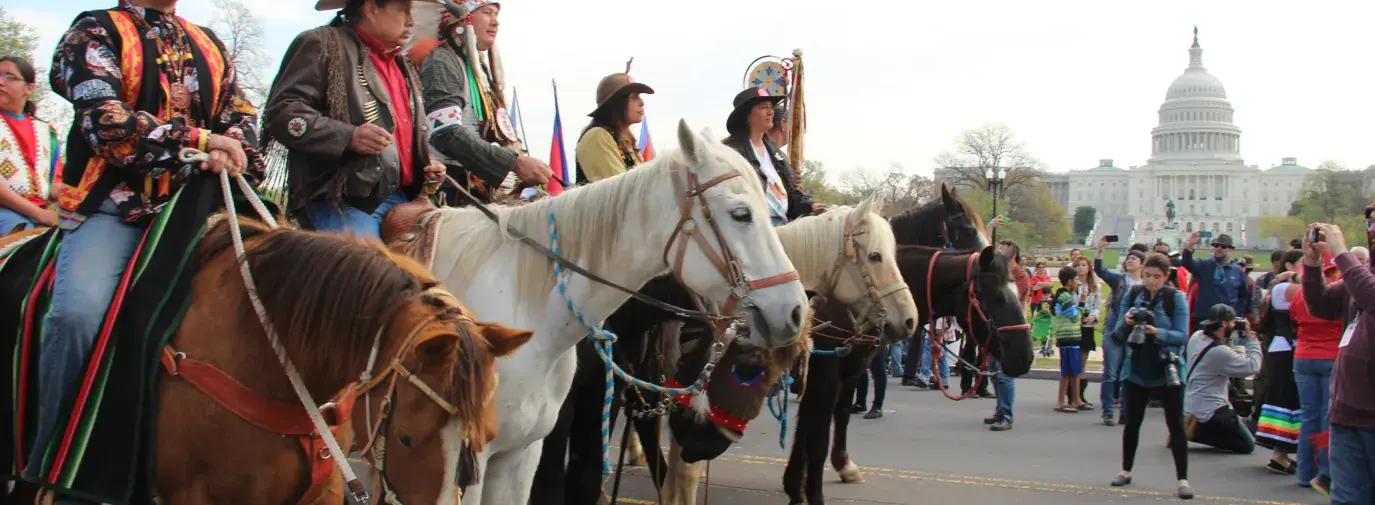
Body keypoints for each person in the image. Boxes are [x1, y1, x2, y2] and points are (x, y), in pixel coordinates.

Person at [38, 0, 259, 500]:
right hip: (113, 206)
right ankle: (53, 457)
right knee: (76, 315)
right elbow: (107, 125)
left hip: (194, 209)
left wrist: (235, 143)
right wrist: (205, 140)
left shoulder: (208, 41)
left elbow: (242, 113)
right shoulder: (92, 31)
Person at [265, 0, 445, 238]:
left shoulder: (403, 66)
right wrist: (348, 137)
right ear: (370, 8)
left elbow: (407, 135)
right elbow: (282, 113)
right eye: (403, 10)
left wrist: (428, 163)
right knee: (371, 272)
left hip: (406, 200)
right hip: (342, 201)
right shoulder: (321, 43)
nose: (411, 21)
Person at [415, 0, 552, 203]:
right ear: (461, 20)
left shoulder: (479, 71)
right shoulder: (442, 61)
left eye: (496, 15)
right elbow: (445, 131)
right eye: (487, 13)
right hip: (447, 190)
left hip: (477, 192)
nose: (495, 22)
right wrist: (514, 163)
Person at [1299, 219, 1375, 505]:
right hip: (1347, 413)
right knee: (1346, 499)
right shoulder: (1362, 275)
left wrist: (1342, 253)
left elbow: (1371, 297)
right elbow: (1320, 304)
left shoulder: (1362, 279)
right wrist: (1313, 261)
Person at [1109, 253, 1192, 500]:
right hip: (1137, 367)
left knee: (1176, 425)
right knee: (1132, 423)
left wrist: (1157, 331)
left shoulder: (1174, 298)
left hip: (1167, 366)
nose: (1152, 281)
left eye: (1157, 277)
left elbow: (1182, 335)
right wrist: (1126, 321)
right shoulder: (1133, 295)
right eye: (1147, 276)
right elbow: (1117, 334)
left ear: (1166, 277)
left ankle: (1182, 480)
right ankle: (1126, 471)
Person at [1286, 252, 1344, 491]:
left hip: (1303, 356)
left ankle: (1304, 472)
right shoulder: (1339, 294)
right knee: (1326, 417)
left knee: (1308, 416)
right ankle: (1324, 473)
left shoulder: (1300, 294)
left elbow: (1293, 318)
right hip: (1331, 356)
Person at [721, 87, 816, 225]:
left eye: (771, 107)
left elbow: (791, 193)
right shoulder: (730, 152)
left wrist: (810, 206)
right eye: (763, 107)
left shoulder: (776, 153)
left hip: (783, 227)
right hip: (754, 230)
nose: (771, 112)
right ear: (747, 116)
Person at [1183, 304, 1261, 454]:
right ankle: (1194, 431)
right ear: (1224, 324)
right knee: (1247, 444)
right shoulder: (1219, 352)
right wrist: (1252, 339)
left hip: (1191, 403)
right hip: (1211, 409)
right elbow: (1253, 366)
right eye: (1232, 323)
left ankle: (1191, 425)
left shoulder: (1197, 336)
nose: (1234, 326)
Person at [1254, 249, 1303, 475]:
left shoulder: (1284, 285)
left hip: (1287, 349)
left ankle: (1282, 453)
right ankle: (1278, 453)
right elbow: (1316, 292)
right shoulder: (1282, 288)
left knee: (1289, 402)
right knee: (1284, 401)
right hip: (1284, 350)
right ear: (1290, 266)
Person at [0, 55, 61, 232]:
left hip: (38, 214)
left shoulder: (46, 131)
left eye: (9, 77)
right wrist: (40, 215)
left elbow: (53, 186)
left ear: (29, 88)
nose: (1, 82)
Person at [1097, 236, 1145, 426]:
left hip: (1133, 333)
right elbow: (1100, 271)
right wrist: (1100, 250)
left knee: (1128, 374)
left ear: (1142, 264)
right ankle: (1108, 411)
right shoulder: (1119, 280)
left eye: (1134, 258)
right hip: (1114, 330)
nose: (1129, 260)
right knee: (1110, 373)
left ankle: (1126, 410)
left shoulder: (1145, 285)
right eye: (1128, 258)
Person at [575, 70, 651, 183]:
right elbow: (624, 192)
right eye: (634, 97)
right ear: (617, 103)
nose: (641, 102)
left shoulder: (625, 140)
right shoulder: (597, 137)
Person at [1181, 232, 1252, 329]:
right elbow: (1187, 263)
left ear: (1230, 250)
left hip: (1227, 319)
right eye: (1216, 245)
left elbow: (1244, 296)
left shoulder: (1237, 270)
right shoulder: (1204, 265)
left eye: (1223, 246)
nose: (1219, 248)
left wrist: (1238, 315)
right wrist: (1190, 245)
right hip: (1205, 317)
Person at [1052, 266, 1088, 412]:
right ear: (1069, 281)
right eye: (1076, 279)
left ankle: (1076, 399)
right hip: (1067, 337)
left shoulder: (1066, 295)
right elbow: (1074, 317)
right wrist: (1082, 303)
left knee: (1075, 370)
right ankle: (1061, 402)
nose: (1078, 282)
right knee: (1067, 372)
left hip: (1071, 338)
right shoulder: (1065, 296)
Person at [1071, 257, 1101, 406]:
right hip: (1074, 326)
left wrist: (1093, 316)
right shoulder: (1072, 285)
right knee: (1073, 361)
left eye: (1084, 265)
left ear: (1089, 268)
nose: (1081, 268)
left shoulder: (1095, 286)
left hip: (1087, 327)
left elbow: (1097, 305)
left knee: (1082, 361)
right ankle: (1071, 395)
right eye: (1078, 265)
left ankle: (1080, 395)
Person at [854, 343, 889, 419]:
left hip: (878, 336)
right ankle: (860, 403)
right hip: (861, 335)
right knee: (860, 364)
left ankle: (877, 407)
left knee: (877, 367)